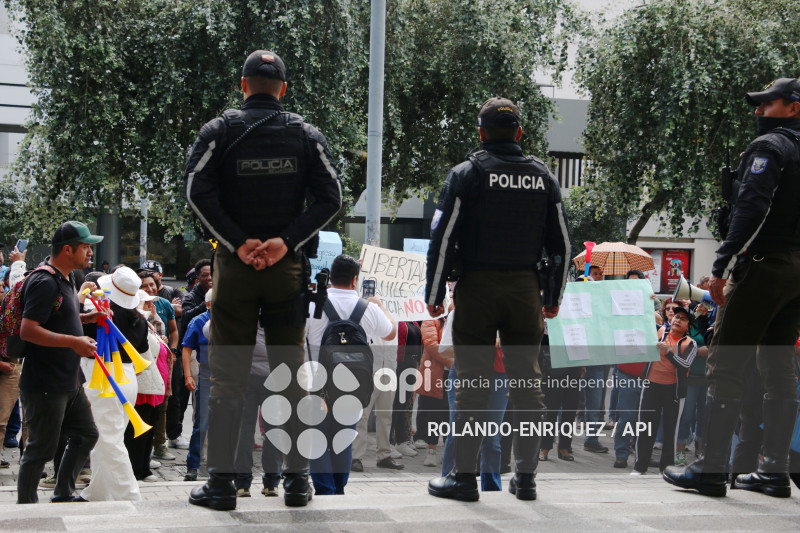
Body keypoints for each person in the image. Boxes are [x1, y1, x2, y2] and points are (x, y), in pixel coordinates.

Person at [184, 49, 342, 510]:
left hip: (234, 268)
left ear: (243, 84)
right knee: (291, 377)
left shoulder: (220, 130)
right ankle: (296, 482)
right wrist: (283, 241)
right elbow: (331, 197)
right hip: (286, 268)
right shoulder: (304, 134)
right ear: (284, 90)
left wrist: (238, 242)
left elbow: (196, 190)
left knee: (230, 378)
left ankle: (221, 485)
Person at [424, 97, 570, 502]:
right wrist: (552, 295)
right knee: (528, 385)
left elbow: (444, 237)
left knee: (472, 384)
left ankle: (464, 479)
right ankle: (525, 479)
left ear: (481, 133)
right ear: (520, 133)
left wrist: (435, 293)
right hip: (526, 289)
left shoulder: (467, 174)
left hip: (477, 288)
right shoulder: (543, 177)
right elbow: (562, 243)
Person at [664, 78, 800, 498]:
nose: (759, 110)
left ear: (793, 107)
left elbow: (752, 207)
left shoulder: (771, 148)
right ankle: (774, 471)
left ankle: (710, 468)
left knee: (726, 362)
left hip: (765, 267)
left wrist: (721, 264)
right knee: (780, 369)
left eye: (768, 103)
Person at [17, 221, 104, 503]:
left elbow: (56, 320)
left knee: (86, 435)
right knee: (40, 450)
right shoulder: (44, 281)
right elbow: (28, 329)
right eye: (86, 246)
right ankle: (26, 509)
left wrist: (86, 320)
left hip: (69, 379)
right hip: (45, 382)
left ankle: (64, 491)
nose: (90, 252)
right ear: (68, 249)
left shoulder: (67, 278)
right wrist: (73, 342)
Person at [305, 254, 395, 495]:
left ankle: (325, 490)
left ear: (330, 277)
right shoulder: (368, 309)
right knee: (343, 439)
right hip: (353, 385)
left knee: (318, 439)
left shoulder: (313, 304)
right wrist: (381, 306)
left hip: (317, 383)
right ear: (355, 280)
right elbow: (390, 333)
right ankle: (339, 488)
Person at [80, 267, 143, 500]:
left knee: (108, 440)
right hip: (127, 377)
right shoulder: (139, 318)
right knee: (107, 438)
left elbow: (69, 325)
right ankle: (96, 493)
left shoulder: (96, 312)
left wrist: (80, 296)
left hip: (104, 375)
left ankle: (129, 496)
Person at [632, 306, 697, 475]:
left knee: (671, 431)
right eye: (676, 316)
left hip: (673, 391)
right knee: (645, 427)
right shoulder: (659, 331)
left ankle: (666, 468)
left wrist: (668, 352)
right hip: (651, 386)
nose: (677, 320)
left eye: (683, 319)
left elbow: (685, 365)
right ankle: (640, 467)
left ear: (688, 326)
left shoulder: (690, 343)